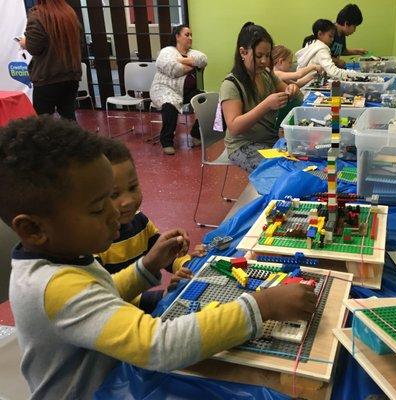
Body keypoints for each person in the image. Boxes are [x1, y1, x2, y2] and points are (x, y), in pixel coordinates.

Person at [1, 115, 317, 399]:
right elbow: (157, 345)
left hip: (116, 379)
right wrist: (263, 305)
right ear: (33, 228)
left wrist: (146, 266)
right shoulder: (54, 286)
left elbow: (101, 292)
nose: (116, 212)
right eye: (99, 207)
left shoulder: (59, 255)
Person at [96, 137, 206, 313]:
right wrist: (159, 298)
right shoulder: (94, 244)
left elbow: (165, 258)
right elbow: (104, 300)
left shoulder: (139, 221)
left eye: (132, 188)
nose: (128, 201)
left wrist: (186, 265)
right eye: (114, 195)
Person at [221, 22, 302, 173]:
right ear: (243, 52)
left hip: (271, 139)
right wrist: (266, 105)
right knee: (281, 173)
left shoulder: (266, 74)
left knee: (304, 161)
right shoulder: (231, 85)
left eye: (267, 55)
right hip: (245, 145)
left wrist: (293, 89)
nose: (264, 61)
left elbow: (291, 91)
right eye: (259, 56)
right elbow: (234, 127)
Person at [150, 25, 207, 155]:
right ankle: (166, 142)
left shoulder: (192, 53)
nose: (190, 38)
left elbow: (203, 59)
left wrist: (182, 60)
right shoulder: (167, 51)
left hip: (185, 92)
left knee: (208, 101)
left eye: (191, 35)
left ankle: (196, 134)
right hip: (164, 89)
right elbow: (173, 69)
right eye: (187, 35)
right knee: (170, 105)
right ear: (177, 36)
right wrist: (191, 64)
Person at [21, 0, 82, 121]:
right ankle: (73, 140)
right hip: (71, 76)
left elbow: (34, 47)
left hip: (48, 77)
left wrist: (25, 42)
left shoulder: (37, 15)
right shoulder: (69, 13)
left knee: (42, 123)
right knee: (69, 117)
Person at [330, 4, 367, 68]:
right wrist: (337, 61)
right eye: (354, 26)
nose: (355, 30)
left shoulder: (342, 33)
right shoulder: (329, 32)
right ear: (346, 24)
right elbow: (320, 55)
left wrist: (357, 51)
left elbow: (342, 50)